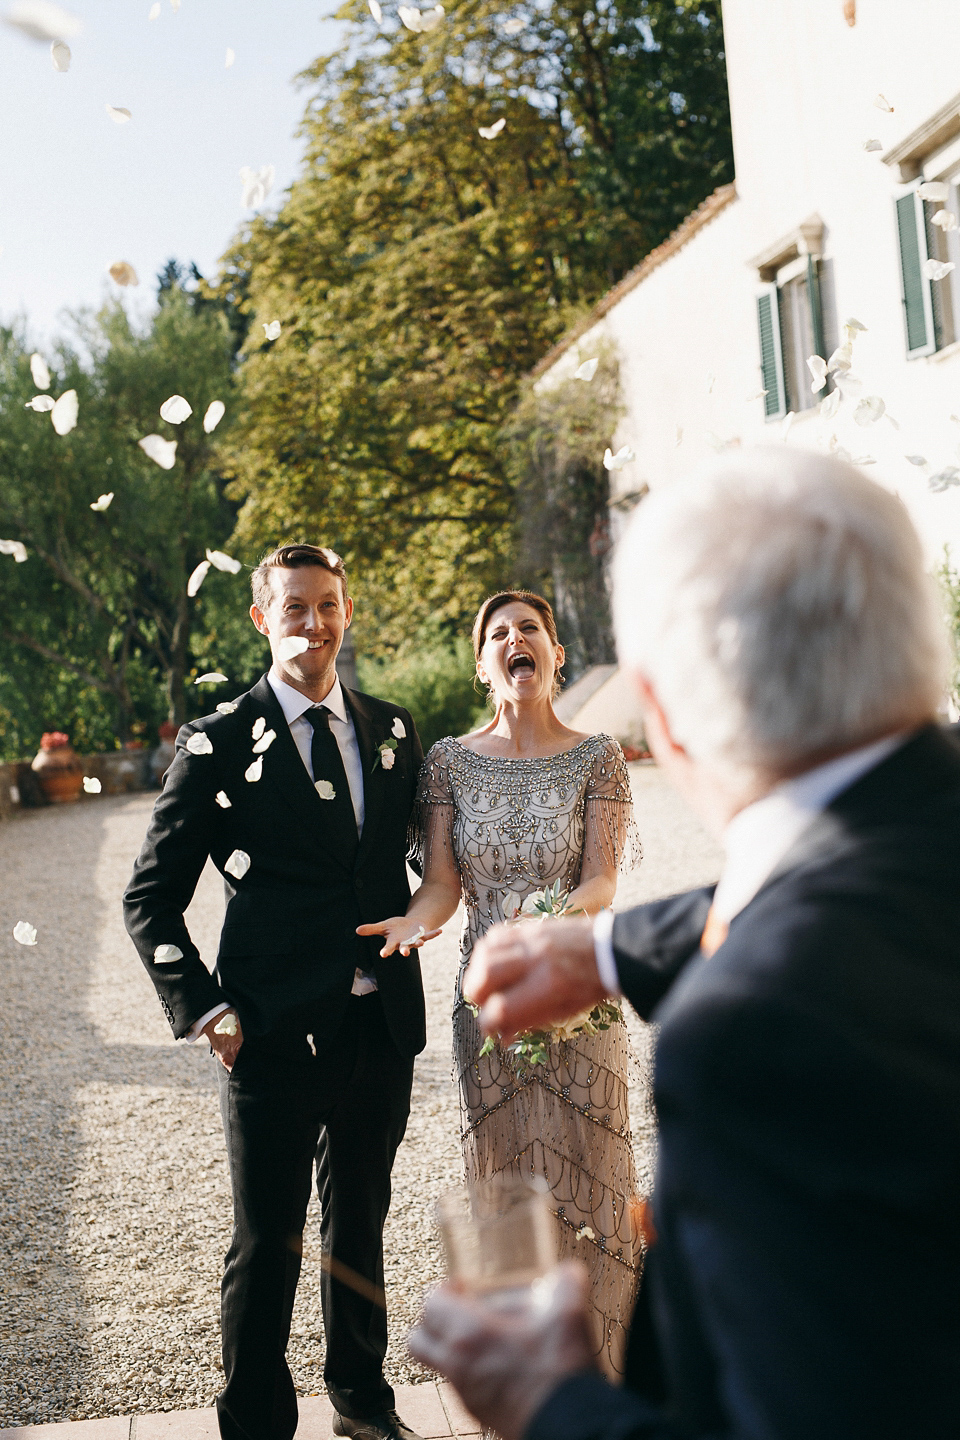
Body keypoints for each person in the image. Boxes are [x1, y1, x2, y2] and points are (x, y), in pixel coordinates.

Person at [408, 450, 960, 1440]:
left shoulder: (752, 1036)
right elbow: (875, 877)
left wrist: (553, 1401)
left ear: (660, 713)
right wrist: (614, 949)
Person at [123, 544, 430, 1440]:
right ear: (263, 618)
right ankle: (255, 1423)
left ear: (346, 612)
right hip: (266, 1032)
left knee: (360, 1227)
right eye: (295, 607)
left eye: (329, 605)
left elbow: (425, 860)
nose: (315, 623)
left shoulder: (393, 729)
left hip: (379, 1024)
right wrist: (205, 1008)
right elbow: (149, 898)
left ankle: (363, 1405)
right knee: (267, 1245)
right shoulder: (216, 743)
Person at [359, 590, 643, 1376]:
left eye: (532, 631)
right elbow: (443, 885)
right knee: (508, 1191)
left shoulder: (600, 757)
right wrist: (412, 921)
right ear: (483, 664)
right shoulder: (449, 761)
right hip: (487, 1007)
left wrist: (547, 914)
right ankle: (530, 1394)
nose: (516, 641)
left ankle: (610, 1377)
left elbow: (602, 883)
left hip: (576, 994)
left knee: (594, 1188)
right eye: (499, 634)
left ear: (555, 654)